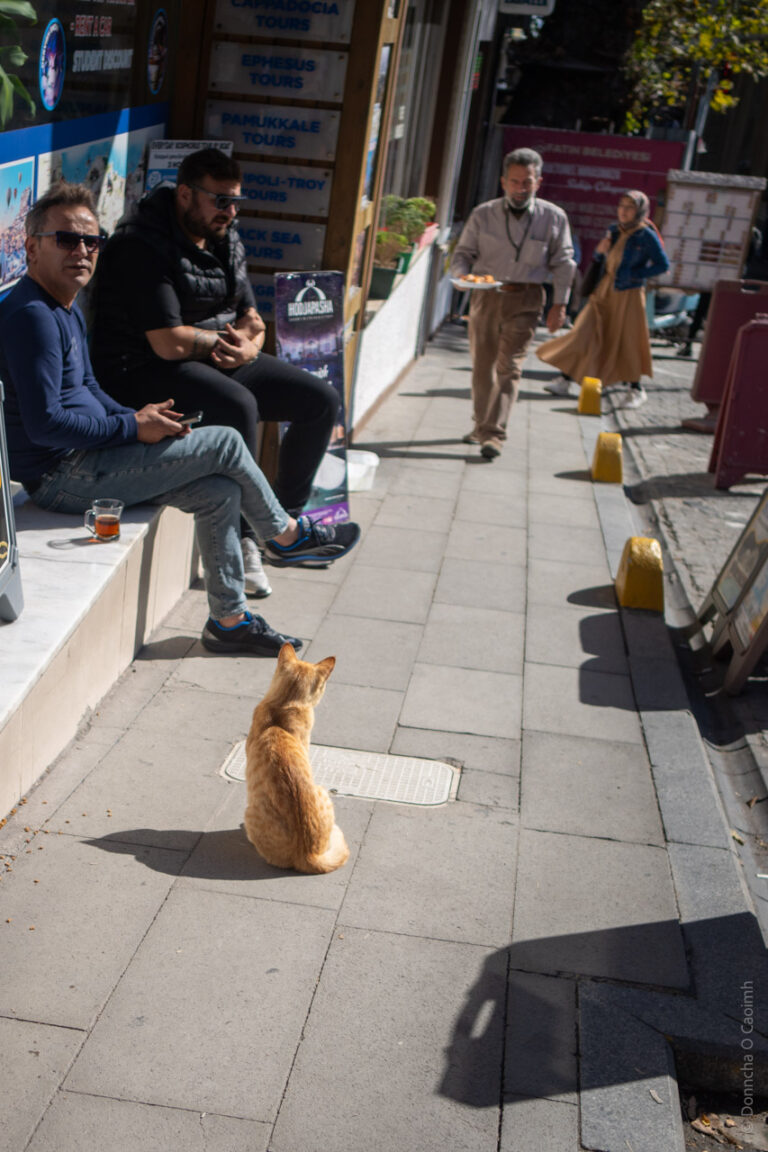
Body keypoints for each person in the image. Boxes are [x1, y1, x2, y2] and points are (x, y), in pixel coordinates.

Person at [0, 182, 360, 657]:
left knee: (220, 490)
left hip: (90, 459)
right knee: (227, 443)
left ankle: (229, 621)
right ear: (31, 247)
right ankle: (286, 535)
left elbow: (86, 389)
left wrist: (137, 416)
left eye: (93, 242)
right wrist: (131, 428)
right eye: (67, 240)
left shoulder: (62, 306)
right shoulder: (31, 315)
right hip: (60, 476)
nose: (83, 252)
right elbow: (46, 424)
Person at [90, 147, 341, 597]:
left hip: (214, 358)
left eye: (235, 201)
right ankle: (247, 539)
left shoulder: (226, 235)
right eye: (220, 200)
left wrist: (250, 346)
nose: (230, 211)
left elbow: (253, 319)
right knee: (236, 405)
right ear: (185, 193)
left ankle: (282, 524)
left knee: (319, 401)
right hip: (140, 370)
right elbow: (167, 342)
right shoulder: (141, 244)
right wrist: (233, 346)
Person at [449, 147, 576, 459]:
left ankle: (493, 434)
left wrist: (560, 305)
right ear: (503, 182)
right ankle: (481, 425)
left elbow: (564, 263)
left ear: (538, 182)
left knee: (510, 368)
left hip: (527, 297)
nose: (521, 188)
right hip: (486, 296)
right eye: (516, 181)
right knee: (482, 367)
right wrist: (461, 276)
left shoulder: (553, 217)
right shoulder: (483, 214)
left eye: (527, 182)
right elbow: (463, 254)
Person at [538, 190, 670, 409]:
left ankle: (635, 389)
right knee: (584, 332)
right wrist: (599, 253)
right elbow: (604, 259)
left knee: (626, 340)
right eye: (621, 205)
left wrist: (635, 274)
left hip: (629, 294)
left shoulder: (645, 234)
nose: (624, 211)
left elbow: (662, 265)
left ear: (639, 211)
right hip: (605, 289)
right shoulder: (614, 230)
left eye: (630, 207)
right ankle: (565, 379)